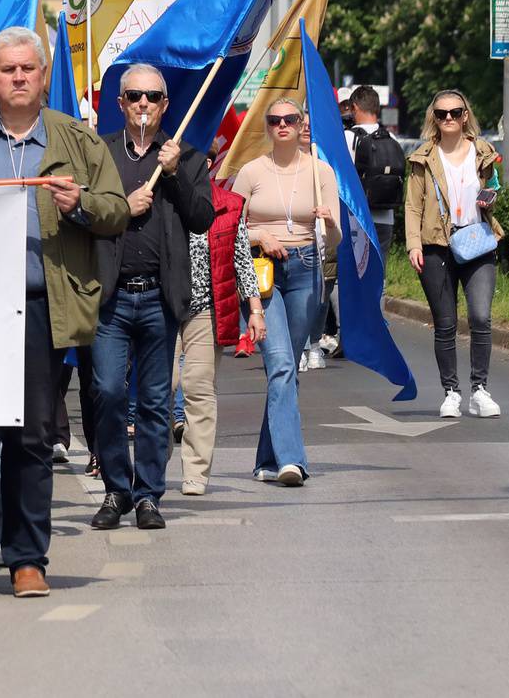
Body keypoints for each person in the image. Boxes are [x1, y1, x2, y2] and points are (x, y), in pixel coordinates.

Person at [0, 27, 127, 599]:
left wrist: (82, 205)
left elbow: (116, 210)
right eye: (8, 70)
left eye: (28, 69)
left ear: (43, 77)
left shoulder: (77, 138)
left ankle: (27, 559)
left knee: (33, 437)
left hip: (42, 307)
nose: (18, 77)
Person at [89, 67, 213, 532]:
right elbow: (83, 210)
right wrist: (123, 206)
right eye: (134, 95)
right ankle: (116, 489)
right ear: (120, 103)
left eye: (153, 96)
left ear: (165, 105)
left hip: (159, 298)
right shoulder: (99, 152)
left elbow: (201, 218)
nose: (143, 103)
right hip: (111, 297)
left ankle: (147, 495)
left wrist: (176, 173)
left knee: (157, 401)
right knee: (107, 391)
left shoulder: (188, 157)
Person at [232, 98, 340, 486]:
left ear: (301, 125)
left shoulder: (320, 172)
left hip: (307, 267)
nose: (282, 125)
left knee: (287, 370)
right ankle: (292, 460)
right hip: (261, 272)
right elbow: (228, 229)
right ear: (267, 126)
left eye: (290, 119)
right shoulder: (251, 172)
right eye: (275, 120)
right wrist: (259, 233)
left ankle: (266, 458)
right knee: (279, 365)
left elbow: (335, 239)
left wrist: (328, 223)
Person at [404, 90, 504, 419]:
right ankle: (451, 392)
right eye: (441, 113)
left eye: (454, 112)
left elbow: (495, 189)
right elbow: (412, 205)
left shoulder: (483, 152)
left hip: (477, 243)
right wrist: (414, 244)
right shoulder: (423, 159)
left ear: (465, 116)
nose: (448, 118)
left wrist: (491, 200)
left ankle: (479, 390)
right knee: (445, 323)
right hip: (436, 246)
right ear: (433, 118)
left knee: (480, 317)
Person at [176, 154, 262, 495]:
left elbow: (241, 258)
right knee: (161, 385)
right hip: (163, 306)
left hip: (205, 309)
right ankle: (152, 463)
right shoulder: (161, 197)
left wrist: (255, 309)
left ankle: (195, 473)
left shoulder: (228, 205)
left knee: (198, 385)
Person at [346, 85, 403, 255]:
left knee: (358, 274)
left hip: (357, 218)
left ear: (355, 107)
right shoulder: (391, 138)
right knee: (379, 272)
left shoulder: (348, 137)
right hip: (386, 217)